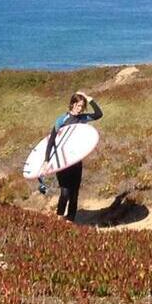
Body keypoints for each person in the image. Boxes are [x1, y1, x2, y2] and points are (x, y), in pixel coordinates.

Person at [40, 91, 102, 221]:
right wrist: (46, 160)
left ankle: (70, 219)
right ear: (72, 104)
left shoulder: (83, 118)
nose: (80, 109)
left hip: (76, 161)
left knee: (74, 193)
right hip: (63, 162)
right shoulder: (62, 120)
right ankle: (59, 217)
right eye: (78, 105)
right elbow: (51, 141)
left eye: (82, 106)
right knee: (65, 192)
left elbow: (98, 114)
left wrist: (89, 99)